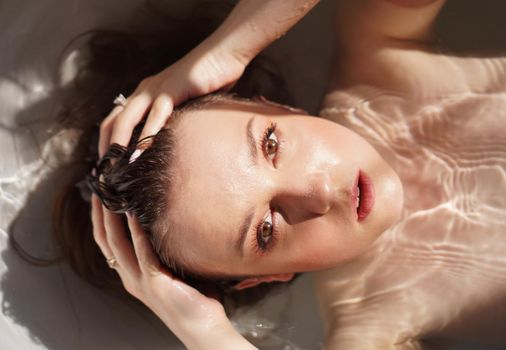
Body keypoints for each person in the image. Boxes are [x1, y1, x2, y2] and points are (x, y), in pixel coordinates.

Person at [61, 0, 506, 348]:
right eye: (266, 230)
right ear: (268, 276)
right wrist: (206, 334)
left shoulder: (383, 52)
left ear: (275, 107)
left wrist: (229, 48)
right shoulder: (373, 319)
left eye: (271, 143)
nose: (317, 191)